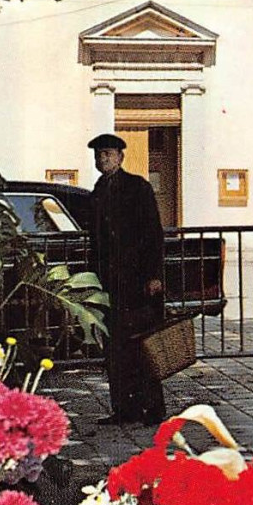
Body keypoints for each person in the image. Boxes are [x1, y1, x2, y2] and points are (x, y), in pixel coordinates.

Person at [87, 133, 167, 425]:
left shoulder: (137, 187)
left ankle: (153, 408)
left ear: (120, 157)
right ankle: (124, 408)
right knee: (116, 348)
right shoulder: (98, 190)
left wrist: (154, 275)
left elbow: (153, 233)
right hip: (110, 282)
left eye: (107, 154)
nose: (102, 159)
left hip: (137, 280)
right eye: (98, 155)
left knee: (143, 344)